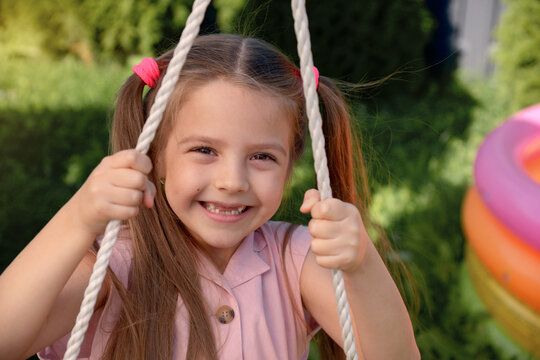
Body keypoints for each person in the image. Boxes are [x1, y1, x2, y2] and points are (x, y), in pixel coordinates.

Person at [0, 34, 419, 360]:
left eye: (261, 156)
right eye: (204, 150)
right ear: (157, 154)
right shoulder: (113, 264)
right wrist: (77, 220)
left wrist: (362, 264)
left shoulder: (296, 260)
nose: (232, 180)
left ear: (291, 164)